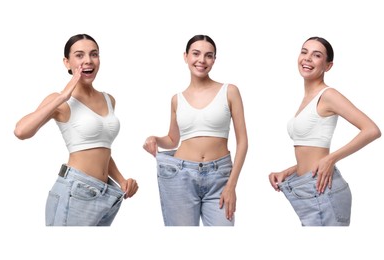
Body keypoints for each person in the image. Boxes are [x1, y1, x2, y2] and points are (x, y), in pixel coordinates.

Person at [14, 34, 139, 226]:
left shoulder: (109, 99)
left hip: (107, 193)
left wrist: (122, 180)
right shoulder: (61, 101)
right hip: (76, 190)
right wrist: (63, 96)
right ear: (67, 62)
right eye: (79, 55)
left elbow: (100, 149)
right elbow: (21, 131)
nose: (88, 60)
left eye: (94, 54)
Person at [268, 36, 381, 226]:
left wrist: (331, 158)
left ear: (328, 66)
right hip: (308, 187)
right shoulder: (308, 98)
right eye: (304, 52)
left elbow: (371, 130)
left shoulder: (328, 95)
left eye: (316, 55)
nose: (307, 58)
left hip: (322, 192)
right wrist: (289, 171)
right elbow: (313, 150)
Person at [143, 35, 248, 226]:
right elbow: (173, 139)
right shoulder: (177, 99)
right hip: (180, 175)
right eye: (196, 54)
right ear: (185, 56)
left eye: (209, 56)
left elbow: (243, 142)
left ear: (214, 60)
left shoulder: (230, 91)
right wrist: (155, 139)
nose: (202, 60)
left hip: (220, 177)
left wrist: (231, 185)